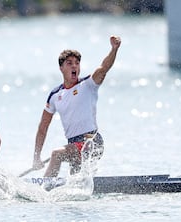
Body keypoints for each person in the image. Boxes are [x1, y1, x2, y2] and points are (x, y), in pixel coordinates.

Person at [32, 35, 121, 177]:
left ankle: (44, 192)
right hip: (73, 145)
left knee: (57, 154)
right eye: (69, 63)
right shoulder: (55, 95)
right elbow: (43, 127)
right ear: (61, 68)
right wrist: (36, 157)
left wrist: (114, 49)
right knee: (75, 183)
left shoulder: (88, 85)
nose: (74, 66)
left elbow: (104, 68)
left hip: (91, 142)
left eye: (77, 63)